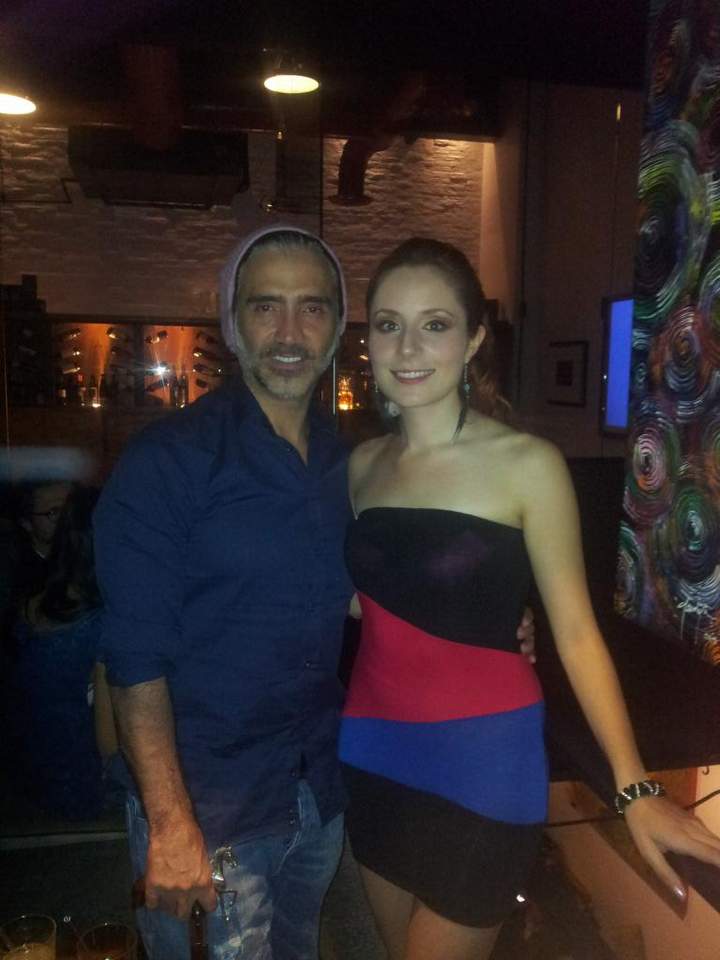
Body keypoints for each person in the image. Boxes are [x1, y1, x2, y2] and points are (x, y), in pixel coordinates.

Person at [93, 225, 535, 960]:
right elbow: (133, 657)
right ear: (232, 324)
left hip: (317, 796)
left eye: (313, 308)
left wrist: (488, 616)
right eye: (266, 307)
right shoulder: (168, 462)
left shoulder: (350, 466)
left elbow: (376, 591)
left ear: (337, 329)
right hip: (210, 812)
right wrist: (169, 825)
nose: (290, 333)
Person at [338, 237, 720, 960]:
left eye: (434, 324)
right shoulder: (359, 466)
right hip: (371, 749)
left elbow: (575, 633)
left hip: (485, 763)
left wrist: (634, 788)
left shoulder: (528, 466)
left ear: (474, 338)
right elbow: (366, 600)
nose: (407, 347)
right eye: (389, 324)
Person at [4, 484, 118, 820]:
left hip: (32, 779)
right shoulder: (103, 623)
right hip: (83, 792)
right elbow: (109, 746)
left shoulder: (30, 606)